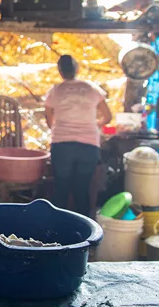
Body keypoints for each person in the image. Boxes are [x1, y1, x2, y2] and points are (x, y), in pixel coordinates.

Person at [45, 55, 112, 217]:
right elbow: (108, 116)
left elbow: (49, 120)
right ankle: (84, 233)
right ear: (77, 68)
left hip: (62, 145)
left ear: (60, 71)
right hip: (88, 145)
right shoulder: (91, 88)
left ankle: (55, 231)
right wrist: (94, 125)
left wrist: (62, 128)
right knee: (82, 189)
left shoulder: (55, 90)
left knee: (61, 188)